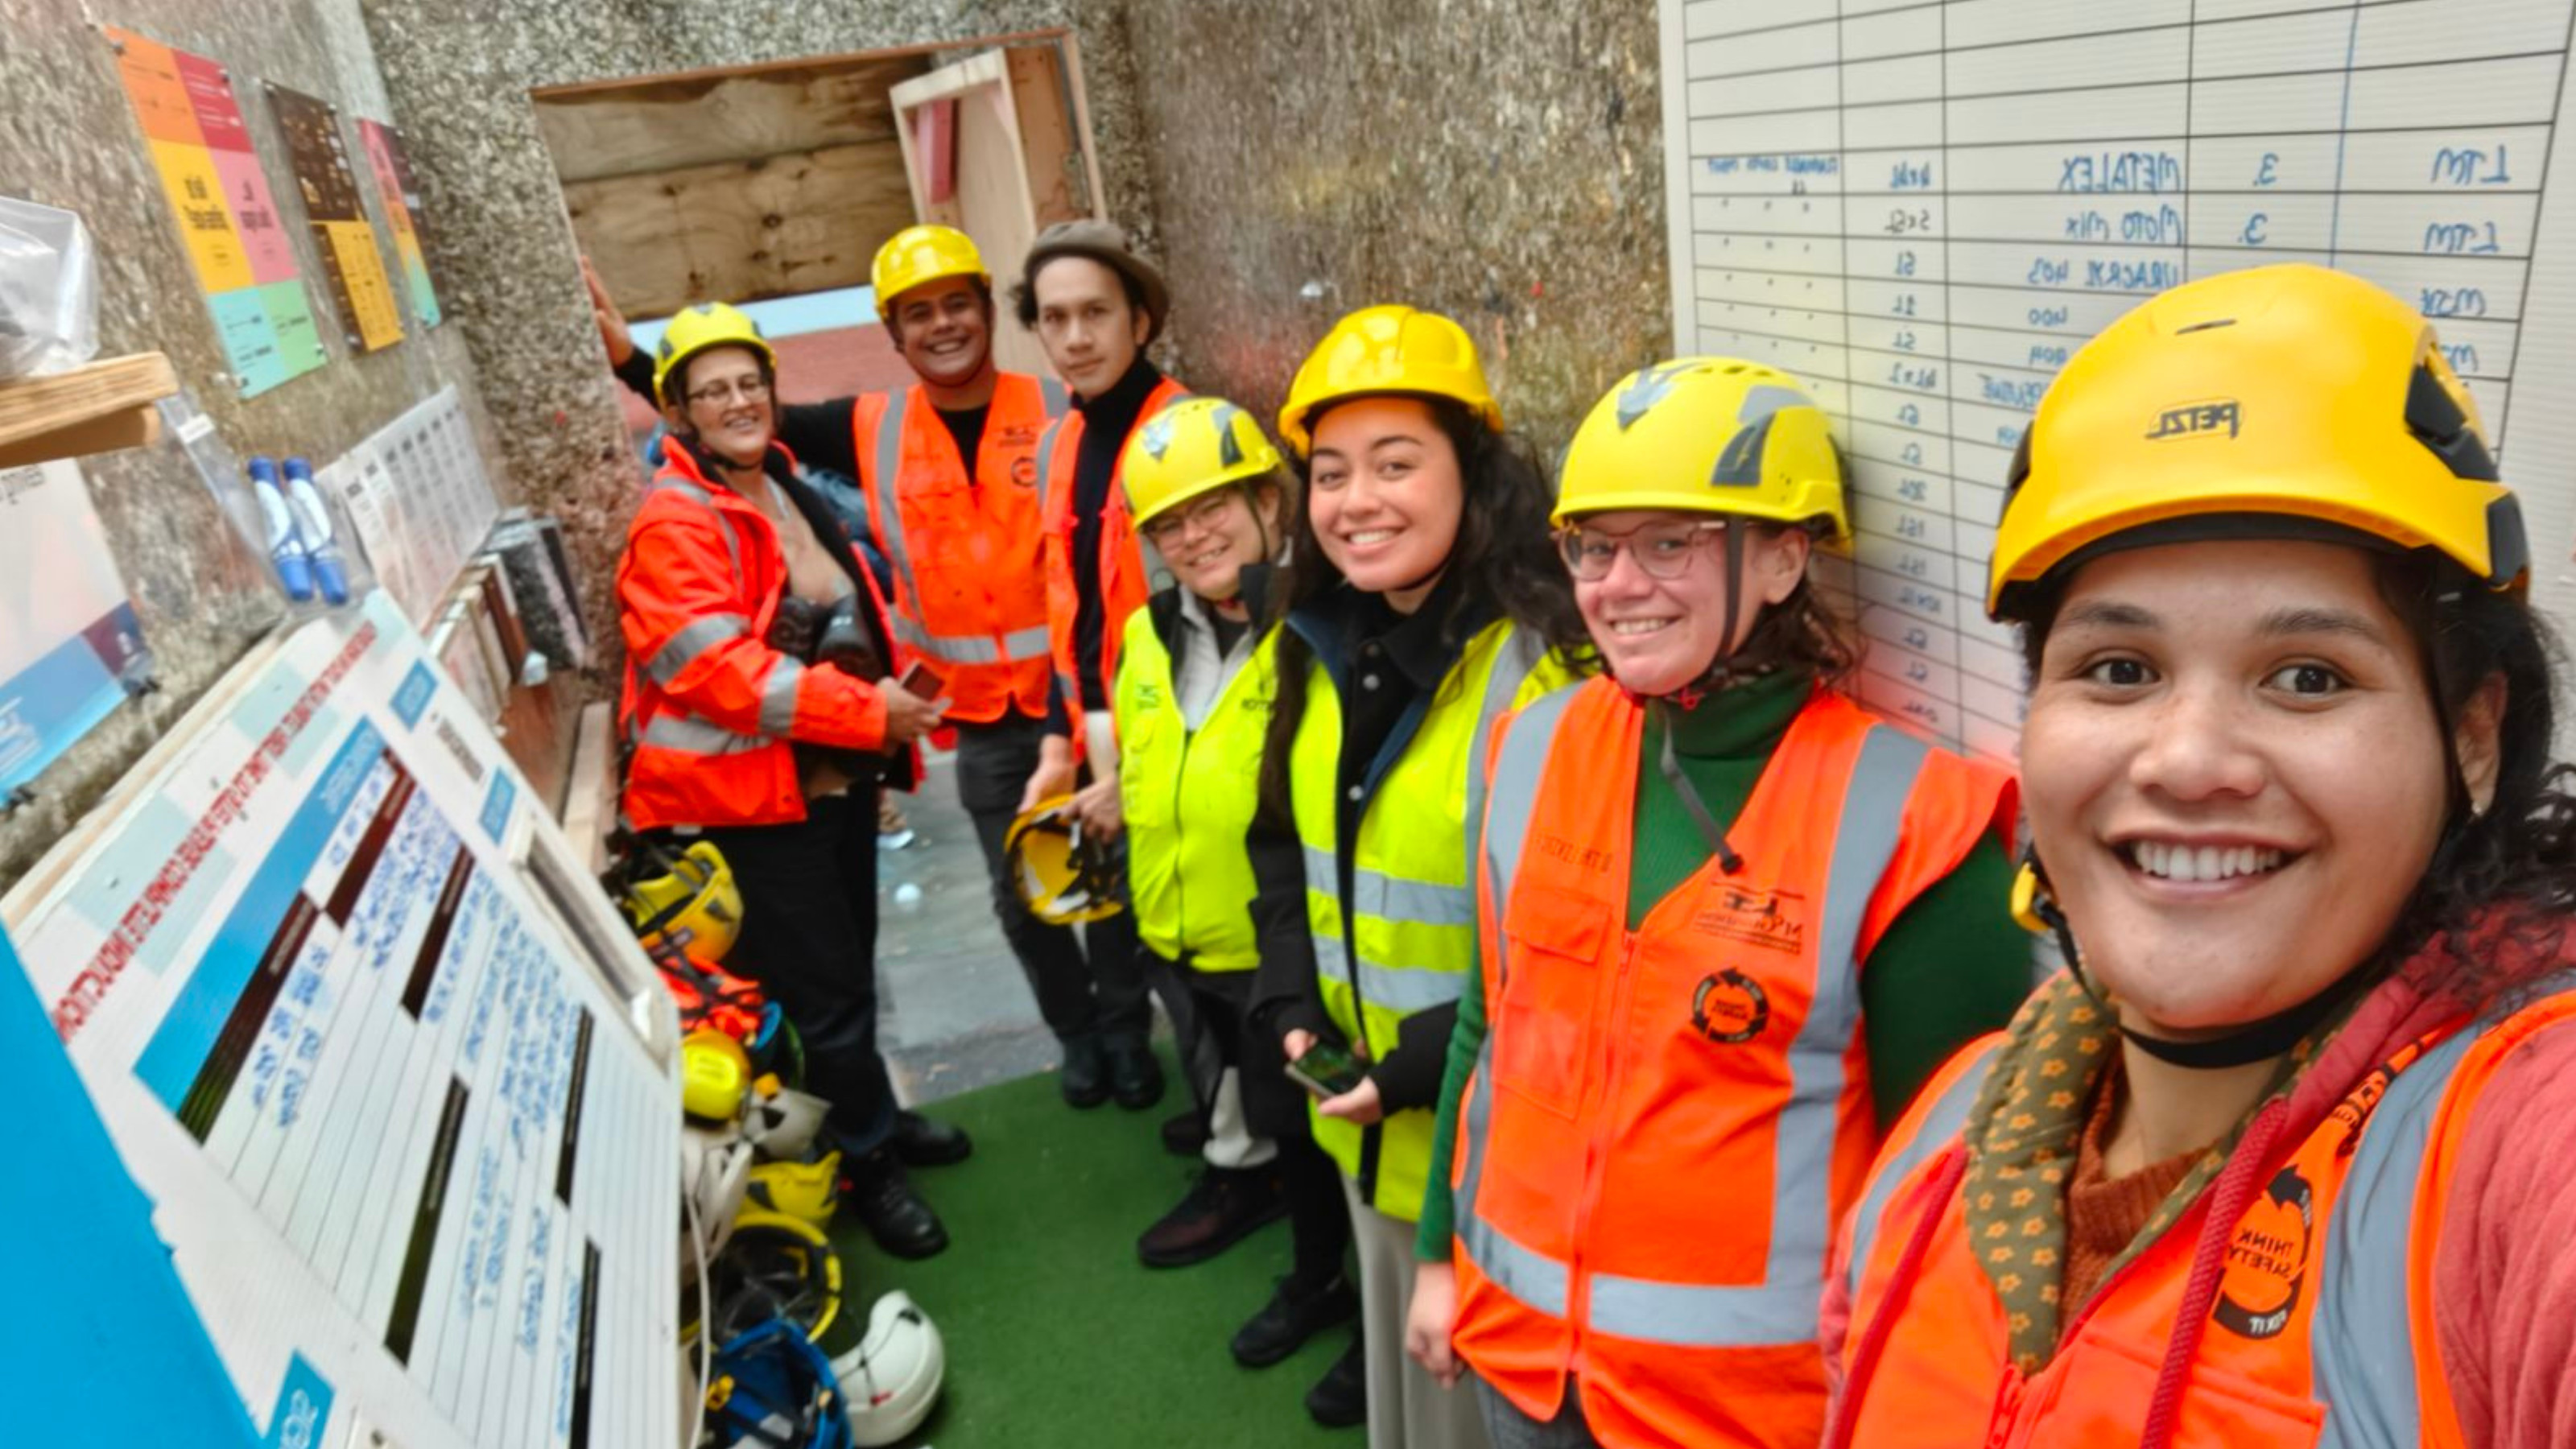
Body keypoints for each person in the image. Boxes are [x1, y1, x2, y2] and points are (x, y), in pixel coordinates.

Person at [1823, 262, 2576, 1449]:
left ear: (2472, 739)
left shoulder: (2516, 1154)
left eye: (2309, 677)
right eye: (2118, 670)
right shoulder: (1945, 1146)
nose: (2186, 760)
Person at [1406, 359, 2028, 1448]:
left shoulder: (1915, 818)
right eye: (1594, 545)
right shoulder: (1531, 746)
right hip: (1521, 1369)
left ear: (1786, 558)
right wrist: (1434, 1259)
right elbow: (1485, 1030)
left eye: (1671, 542)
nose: (1618, 584)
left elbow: (1951, 1195)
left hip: (1751, 1421)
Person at [588, 235, 1151, 1114]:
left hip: (1085, 700)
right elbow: (736, 414)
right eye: (917, 313)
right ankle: (1077, 1041)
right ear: (892, 332)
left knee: (1109, 879)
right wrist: (631, 357)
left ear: (988, 311)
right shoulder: (871, 428)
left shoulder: (1061, 406)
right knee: (1022, 897)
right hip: (982, 722)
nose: (942, 326)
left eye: (957, 303)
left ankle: (1126, 1037)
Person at [1246, 305, 1589, 1440]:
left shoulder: (1546, 668)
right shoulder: (1316, 642)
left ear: (1472, 475)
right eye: (1332, 473)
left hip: (1490, 1152)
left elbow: (1569, 944)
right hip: (1367, 1132)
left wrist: (1407, 1076)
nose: (1358, 501)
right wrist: (1290, 1002)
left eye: (1398, 464)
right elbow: (1280, 848)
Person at [613, 302, 966, 1260]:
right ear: (679, 412)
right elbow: (715, 672)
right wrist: (868, 716)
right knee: (828, 995)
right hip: (747, 810)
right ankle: (868, 1167)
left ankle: (877, 1121)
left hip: (823, 786)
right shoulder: (675, 523)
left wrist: (879, 734)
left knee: (850, 969)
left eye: (749, 382)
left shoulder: (777, 483)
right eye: (712, 390)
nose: (738, 402)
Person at [1084, 398, 1362, 1368]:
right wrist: (1113, 792)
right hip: (1178, 932)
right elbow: (1160, 749)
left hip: (1283, 958)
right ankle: (1263, 1210)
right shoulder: (1147, 630)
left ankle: (1333, 1287)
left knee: (1320, 1131)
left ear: (1268, 505)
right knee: (1246, 1105)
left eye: (1213, 507)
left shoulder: (1318, 632)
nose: (1191, 536)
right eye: (1168, 522)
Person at [1009, 219, 1195, 1115]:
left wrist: (1144, 768)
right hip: (1095, 727)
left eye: (1095, 313)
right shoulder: (1061, 442)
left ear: (1140, 320)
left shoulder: (1187, 435)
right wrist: (1059, 743)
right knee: (1143, 934)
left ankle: (1237, 1145)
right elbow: (1069, 609)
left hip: (1175, 734)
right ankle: (1215, 1124)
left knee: (1194, 945)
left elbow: (1217, 627)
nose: (1075, 338)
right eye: (1054, 319)